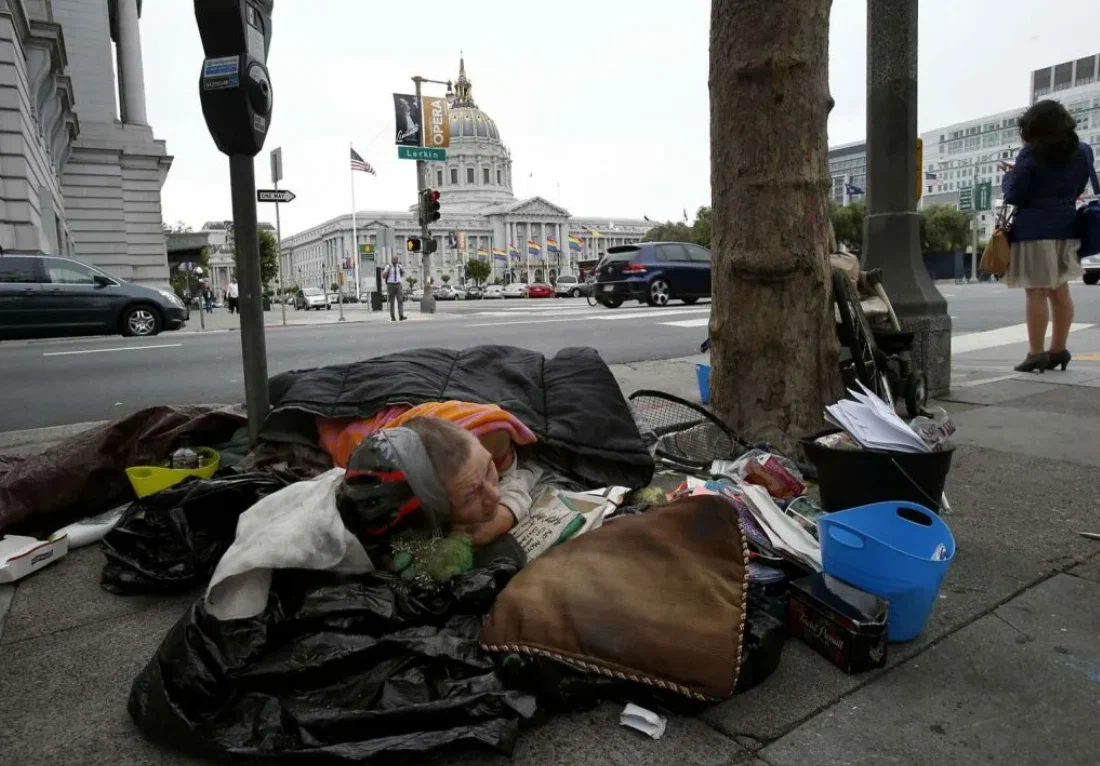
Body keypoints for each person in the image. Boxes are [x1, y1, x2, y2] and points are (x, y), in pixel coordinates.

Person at [1000, 100, 1092, 373]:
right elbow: (1078, 186)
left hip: (1035, 229)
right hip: (1067, 227)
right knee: (1060, 290)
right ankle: (1058, 350)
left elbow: (1015, 194)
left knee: (1036, 291)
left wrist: (1010, 175)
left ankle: (1036, 353)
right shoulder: (1083, 151)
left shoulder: (1030, 155)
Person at [383, 255, 407, 322]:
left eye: (396, 259)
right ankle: (392, 316)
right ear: (392, 260)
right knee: (392, 301)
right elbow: (384, 276)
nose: (395, 261)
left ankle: (401, 315)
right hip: (391, 284)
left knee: (400, 300)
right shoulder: (388, 266)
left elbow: (403, 273)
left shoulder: (399, 266)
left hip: (398, 284)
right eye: (394, 259)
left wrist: (401, 273)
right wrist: (387, 271)